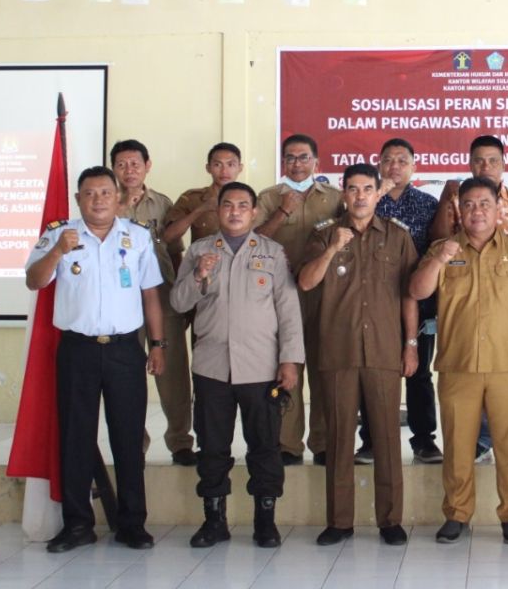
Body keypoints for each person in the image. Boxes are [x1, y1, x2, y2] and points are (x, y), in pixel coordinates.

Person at [24, 166, 165, 553]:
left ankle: (132, 523)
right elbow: (34, 281)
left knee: (128, 437)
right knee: (75, 438)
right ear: (78, 199)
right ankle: (77, 525)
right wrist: (57, 251)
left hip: (124, 350)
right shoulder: (58, 234)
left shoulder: (135, 237)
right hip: (77, 350)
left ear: (118, 197)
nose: (98, 199)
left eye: (105, 192)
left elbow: (151, 294)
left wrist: (158, 344)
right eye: (89, 193)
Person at [410, 176, 508, 545]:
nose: (476, 211)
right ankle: (457, 514)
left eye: (484, 203)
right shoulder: (443, 248)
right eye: (468, 204)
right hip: (458, 364)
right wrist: (439, 258)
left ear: (497, 208)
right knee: (457, 445)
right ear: (459, 209)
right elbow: (417, 290)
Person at [170, 182, 304, 548]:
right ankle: (214, 520)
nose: (234, 211)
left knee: (264, 447)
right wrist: (198, 275)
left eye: (242, 205)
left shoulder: (272, 253)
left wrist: (290, 361)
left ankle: (266, 521)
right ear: (218, 210)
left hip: (261, 368)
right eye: (227, 205)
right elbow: (179, 304)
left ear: (255, 212)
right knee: (213, 447)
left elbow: (289, 311)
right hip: (212, 367)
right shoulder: (199, 250)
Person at [298, 164, 419, 547]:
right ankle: (340, 521)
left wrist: (411, 344)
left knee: (385, 437)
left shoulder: (398, 238)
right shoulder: (322, 236)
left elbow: (410, 295)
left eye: (368, 188)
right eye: (353, 189)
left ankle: (390, 520)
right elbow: (305, 282)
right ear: (343, 193)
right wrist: (335, 246)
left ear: (376, 193)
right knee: (338, 440)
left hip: (384, 350)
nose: (361, 196)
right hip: (337, 350)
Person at [431, 134, 508, 460]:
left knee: (504, 380)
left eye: (493, 160)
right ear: (469, 164)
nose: (486, 166)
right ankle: (480, 443)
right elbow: (438, 241)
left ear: (504, 164)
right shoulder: (457, 200)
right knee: (471, 366)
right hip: (464, 292)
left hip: (507, 294)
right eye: (479, 160)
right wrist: (445, 200)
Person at [255, 134, 344, 466]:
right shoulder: (267, 198)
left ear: (316, 162)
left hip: (324, 297)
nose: (296, 163)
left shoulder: (334, 199)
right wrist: (282, 212)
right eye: (290, 158)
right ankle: (288, 444)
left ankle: (321, 442)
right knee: (286, 370)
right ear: (283, 163)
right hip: (279, 297)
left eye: (303, 157)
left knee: (323, 370)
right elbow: (254, 240)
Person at [110, 139, 196, 466]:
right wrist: (120, 207)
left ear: (148, 165)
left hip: (161, 296)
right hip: (121, 302)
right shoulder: (103, 201)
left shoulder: (162, 204)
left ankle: (180, 442)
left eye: (135, 164)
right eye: (122, 164)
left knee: (173, 374)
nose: (129, 170)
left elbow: (175, 250)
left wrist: (181, 298)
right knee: (127, 377)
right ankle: (134, 443)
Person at [370, 138, 442, 464]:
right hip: (373, 302)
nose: (394, 166)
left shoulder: (428, 204)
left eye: (402, 160)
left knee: (419, 372)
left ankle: (424, 439)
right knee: (374, 374)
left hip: (418, 300)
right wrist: (376, 195)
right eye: (388, 160)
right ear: (379, 165)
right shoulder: (367, 200)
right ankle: (370, 440)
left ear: (414, 166)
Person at [163, 143, 245, 268]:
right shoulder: (192, 198)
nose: (224, 171)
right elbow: (168, 237)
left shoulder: (249, 201)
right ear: (208, 168)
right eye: (217, 164)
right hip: (202, 270)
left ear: (240, 168)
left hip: (239, 269)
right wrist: (201, 209)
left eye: (231, 164)